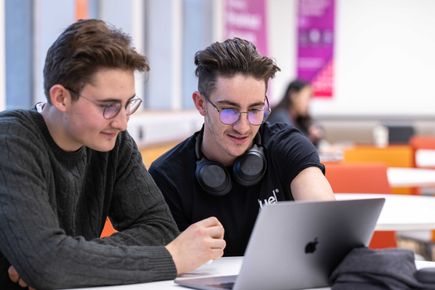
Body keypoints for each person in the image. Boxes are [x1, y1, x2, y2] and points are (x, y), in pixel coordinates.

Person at [0, 19, 225, 289]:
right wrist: (172, 258)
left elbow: (160, 228)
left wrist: (69, 261)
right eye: (108, 106)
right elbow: (48, 264)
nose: (122, 122)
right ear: (61, 98)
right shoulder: (11, 141)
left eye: (128, 104)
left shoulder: (114, 143)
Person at [149, 38, 335, 257]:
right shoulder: (167, 175)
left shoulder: (287, 146)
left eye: (255, 109)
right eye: (229, 110)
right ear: (201, 104)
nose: (243, 126)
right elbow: (168, 266)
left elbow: (328, 225)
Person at [268, 79, 325, 147]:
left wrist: (315, 135)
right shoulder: (280, 117)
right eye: (307, 98)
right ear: (293, 95)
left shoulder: (298, 119)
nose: (308, 104)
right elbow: (297, 146)